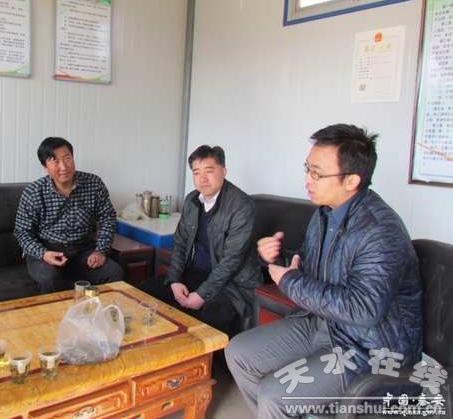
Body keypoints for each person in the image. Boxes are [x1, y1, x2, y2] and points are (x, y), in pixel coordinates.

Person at [225, 124, 422, 418]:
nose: (307, 179)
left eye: (317, 173)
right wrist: (278, 258)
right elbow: (308, 264)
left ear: (351, 180)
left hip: (368, 348)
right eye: (307, 168)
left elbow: (364, 310)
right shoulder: (325, 213)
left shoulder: (380, 232)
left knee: (275, 395)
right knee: (239, 352)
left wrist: (291, 281)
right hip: (325, 324)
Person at [140, 145, 261, 335]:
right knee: (143, 293)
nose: (202, 178)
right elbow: (180, 243)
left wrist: (202, 295)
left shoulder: (241, 206)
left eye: (209, 171)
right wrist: (174, 280)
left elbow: (232, 261)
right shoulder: (192, 200)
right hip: (198, 273)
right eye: (196, 172)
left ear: (224, 171)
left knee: (204, 319)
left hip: (233, 285)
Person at [14, 137, 124, 293]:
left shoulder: (94, 183)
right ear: (45, 167)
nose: (64, 166)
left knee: (114, 273)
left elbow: (108, 218)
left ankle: (98, 309)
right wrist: (43, 254)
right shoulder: (33, 192)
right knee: (50, 278)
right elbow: (22, 232)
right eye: (55, 161)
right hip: (47, 249)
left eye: (67, 158)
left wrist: (101, 250)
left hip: (83, 250)